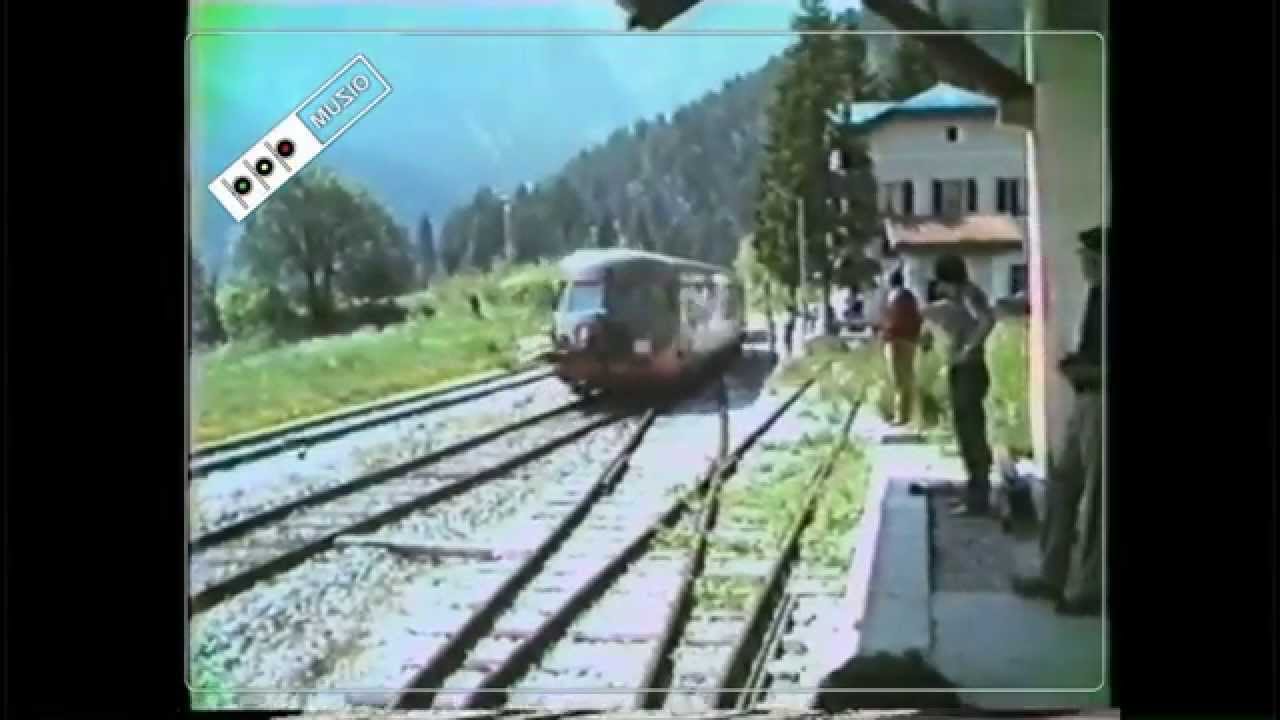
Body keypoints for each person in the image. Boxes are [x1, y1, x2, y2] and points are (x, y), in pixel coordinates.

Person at [1012, 225, 1105, 616]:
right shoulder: (1096, 296)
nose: (1084, 264)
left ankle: (1091, 587)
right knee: (1063, 485)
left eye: (1090, 258)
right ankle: (1052, 572)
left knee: (1097, 497)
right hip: (1084, 400)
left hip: (1101, 402)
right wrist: (1075, 365)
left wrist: (1088, 371)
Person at [921, 255, 996, 516]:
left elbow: (987, 320)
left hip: (970, 370)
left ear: (948, 280)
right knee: (965, 431)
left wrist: (968, 348)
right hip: (962, 369)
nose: (940, 289)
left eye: (942, 283)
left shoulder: (969, 295)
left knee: (971, 431)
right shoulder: (960, 298)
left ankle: (979, 498)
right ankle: (974, 492)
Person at [881, 270, 923, 426]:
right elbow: (917, 318)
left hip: (896, 341)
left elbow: (891, 321)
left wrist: (886, 335)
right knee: (908, 378)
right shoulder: (910, 297)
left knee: (899, 380)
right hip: (910, 341)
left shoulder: (893, 297)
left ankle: (901, 417)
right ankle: (910, 415)